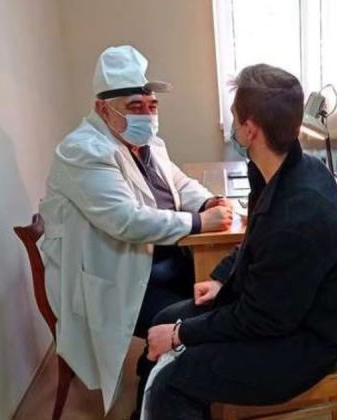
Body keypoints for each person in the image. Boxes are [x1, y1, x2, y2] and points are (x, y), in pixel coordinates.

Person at [139, 64, 337, 419]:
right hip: (275, 314)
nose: (232, 126)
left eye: (234, 118)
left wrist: (181, 335)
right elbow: (257, 241)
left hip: (299, 346)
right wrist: (221, 277)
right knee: (163, 319)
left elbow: (261, 319)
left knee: (173, 379)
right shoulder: (280, 171)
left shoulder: (297, 215)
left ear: (250, 129)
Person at [39, 45, 233, 410]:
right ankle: (157, 396)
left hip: (158, 262)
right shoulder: (84, 150)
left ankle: (162, 372)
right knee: (201, 319)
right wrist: (198, 222)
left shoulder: (147, 142)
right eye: (135, 106)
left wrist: (208, 201)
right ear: (103, 109)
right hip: (117, 276)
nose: (147, 115)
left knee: (226, 291)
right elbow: (125, 220)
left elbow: (178, 183)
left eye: (152, 105)